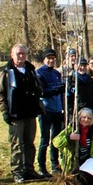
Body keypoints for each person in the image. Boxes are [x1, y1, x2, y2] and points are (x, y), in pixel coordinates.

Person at [0, 44, 45, 183]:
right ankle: (17, 171)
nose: (21, 56)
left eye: (24, 53)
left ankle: (29, 169)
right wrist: (5, 111)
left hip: (30, 113)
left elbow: (38, 86)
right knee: (17, 144)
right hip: (15, 114)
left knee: (29, 143)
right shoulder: (7, 72)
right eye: (18, 54)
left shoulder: (30, 70)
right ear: (12, 55)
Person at [53, 108, 93, 185]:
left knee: (92, 182)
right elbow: (56, 142)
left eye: (89, 118)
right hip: (73, 163)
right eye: (84, 117)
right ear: (79, 118)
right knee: (81, 180)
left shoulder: (92, 131)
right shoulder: (71, 129)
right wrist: (68, 137)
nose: (86, 120)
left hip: (86, 162)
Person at [36, 48, 65, 177]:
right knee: (44, 139)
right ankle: (41, 166)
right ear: (44, 59)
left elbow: (62, 92)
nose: (51, 60)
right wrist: (56, 90)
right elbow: (41, 92)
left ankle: (55, 164)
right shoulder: (39, 73)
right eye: (49, 58)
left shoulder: (57, 73)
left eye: (53, 58)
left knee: (56, 139)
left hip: (57, 110)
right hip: (46, 110)